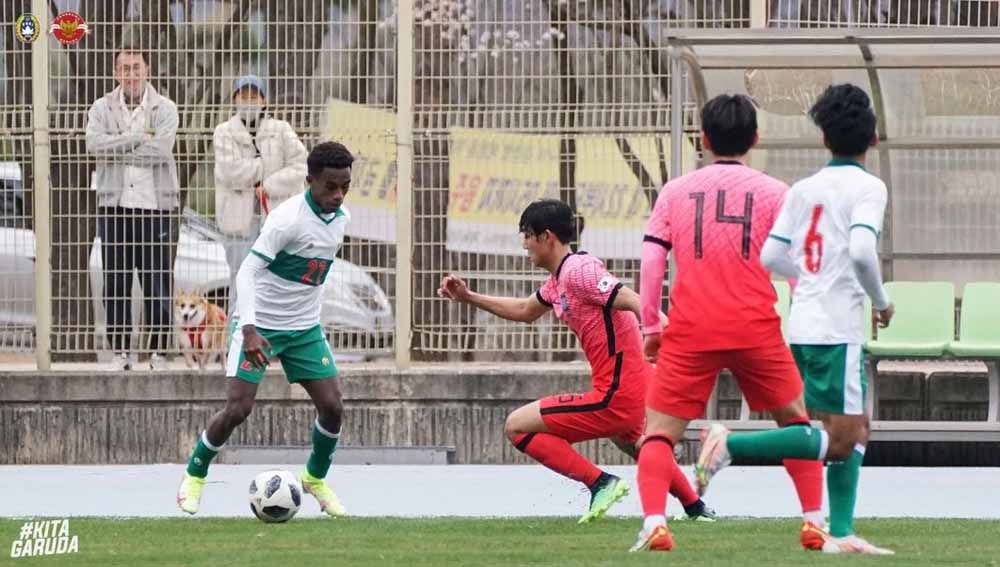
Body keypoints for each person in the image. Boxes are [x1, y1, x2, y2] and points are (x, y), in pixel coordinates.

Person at [697, 84, 895, 555]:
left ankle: (842, 533)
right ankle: (730, 444)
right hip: (837, 329)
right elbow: (864, 252)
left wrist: (808, 278)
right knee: (842, 439)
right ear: (872, 139)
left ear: (824, 139)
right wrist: (881, 301)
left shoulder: (804, 188)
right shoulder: (869, 187)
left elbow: (771, 254)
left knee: (854, 430)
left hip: (803, 324)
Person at [438, 199, 714, 525]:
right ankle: (696, 509)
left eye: (527, 235)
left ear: (547, 237)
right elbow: (526, 311)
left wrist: (659, 336)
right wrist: (469, 297)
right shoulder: (559, 278)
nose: (524, 244)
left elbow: (636, 301)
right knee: (640, 446)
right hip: (630, 386)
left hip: (617, 393)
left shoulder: (579, 272)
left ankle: (601, 483)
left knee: (517, 426)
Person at [630, 94, 825, 552]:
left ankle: (655, 522)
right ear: (754, 139)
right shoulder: (777, 192)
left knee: (657, 433)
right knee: (796, 423)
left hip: (691, 327)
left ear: (703, 139)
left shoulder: (676, 192)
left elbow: (652, 260)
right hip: (755, 326)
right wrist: (805, 326)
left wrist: (652, 327)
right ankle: (814, 521)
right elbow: (795, 266)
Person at [177, 142, 354, 517]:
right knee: (238, 408)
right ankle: (194, 474)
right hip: (260, 325)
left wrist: (308, 316)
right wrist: (251, 329)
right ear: (310, 181)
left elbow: (311, 277)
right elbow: (248, 271)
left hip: (304, 329)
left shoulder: (341, 219)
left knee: (333, 406)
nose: (338, 195)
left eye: (344, 187)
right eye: (330, 186)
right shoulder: (286, 219)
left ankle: (315, 478)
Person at [85, 49, 179, 371]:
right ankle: (121, 351)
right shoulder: (101, 108)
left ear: (147, 70)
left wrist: (118, 145)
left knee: (157, 281)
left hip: (156, 208)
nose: (131, 74)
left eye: (136, 67)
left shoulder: (165, 109)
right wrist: (138, 137)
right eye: (124, 68)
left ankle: (157, 353)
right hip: (115, 205)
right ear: (115, 72)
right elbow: (94, 145)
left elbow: (160, 151)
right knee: (115, 282)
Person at [213, 75, 307, 313]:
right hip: (238, 223)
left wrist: (269, 185)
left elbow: (300, 166)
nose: (248, 101)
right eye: (243, 96)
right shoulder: (224, 132)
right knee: (241, 281)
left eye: (254, 96)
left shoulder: (281, 130)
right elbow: (230, 171)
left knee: (274, 283)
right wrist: (265, 165)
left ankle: (271, 342)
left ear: (264, 100)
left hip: (274, 219)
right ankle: (236, 344)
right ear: (234, 100)